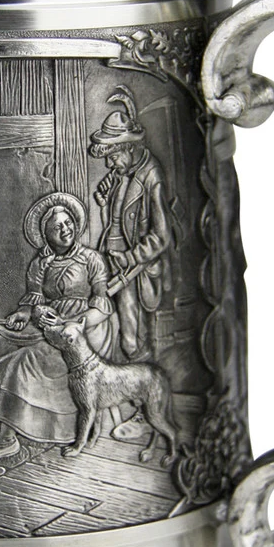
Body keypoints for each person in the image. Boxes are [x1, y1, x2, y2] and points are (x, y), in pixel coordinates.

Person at [0, 192, 115, 460]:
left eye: (68, 223)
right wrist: (23, 313)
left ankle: (7, 436)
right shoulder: (40, 263)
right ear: (45, 235)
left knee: (23, 362)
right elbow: (34, 298)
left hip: (79, 332)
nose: (65, 229)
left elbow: (102, 305)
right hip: (44, 324)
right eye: (57, 227)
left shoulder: (91, 259)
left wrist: (72, 324)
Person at [88, 87, 172, 361]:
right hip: (113, 260)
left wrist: (131, 257)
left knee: (132, 334)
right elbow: (115, 219)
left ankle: (141, 379)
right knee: (115, 326)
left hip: (134, 268)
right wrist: (104, 200)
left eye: (113, 156)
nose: (110, 164)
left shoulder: (152, 177)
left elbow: (160, 236)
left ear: (129, 148)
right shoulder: (120, 173)